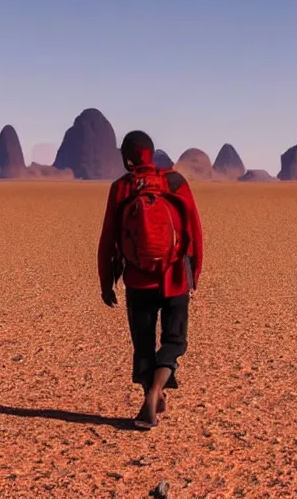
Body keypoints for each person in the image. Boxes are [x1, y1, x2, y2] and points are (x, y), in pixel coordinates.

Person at [97, 130, 204, 429]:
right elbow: (194, 229)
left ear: (128, 158)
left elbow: (108, 239)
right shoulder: (175, 182)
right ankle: (158, 390)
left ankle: (150, 396)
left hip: (138, 281)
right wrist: (194, 272)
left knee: (143, 345)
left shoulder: (121, 188)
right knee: (174, 340)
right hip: (175, 278)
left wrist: (107, 281)